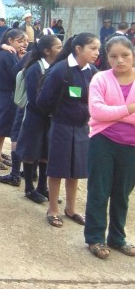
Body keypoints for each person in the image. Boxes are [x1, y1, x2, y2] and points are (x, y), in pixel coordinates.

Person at [37, 33, 100, 228]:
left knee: (76, 169)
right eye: (93, 48)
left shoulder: (92, 71)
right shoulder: (60, 70)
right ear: (78, 49)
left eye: (98, 49)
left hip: (82, 128)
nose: (97, 53)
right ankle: (53, 208)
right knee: (57, 168)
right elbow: (43, 101)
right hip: (61, 126)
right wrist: (59, 114)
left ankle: (71, 209)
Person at [85, 35, 135, 259]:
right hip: (102, 141)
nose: (120, 61)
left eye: (125, 55)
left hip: (131, 146)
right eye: (114, 56)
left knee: (122, 194)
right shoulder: (100, 79)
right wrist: (131, 109)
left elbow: (105, 112)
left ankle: (117, 238)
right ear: (107, 58)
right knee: (99, 191)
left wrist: (113, 113)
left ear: (132, 55)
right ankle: (96, 238)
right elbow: (96, 112)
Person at [15, 34, 63, 203]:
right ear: (46, 51)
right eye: (58, 47)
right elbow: (34, 98)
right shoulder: (35, 68)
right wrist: (50, 109)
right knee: (31, 151)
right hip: (35, 117)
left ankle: (43, 187)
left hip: (49, 118)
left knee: (45, 152)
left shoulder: (55, 67)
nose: (61, 50)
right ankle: (29, 188)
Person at [0, 29, 27, 170]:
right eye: (19, 41)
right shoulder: (7, 54)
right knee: (1, 127)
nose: (23, 45)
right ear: (10, 41)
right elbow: (15, 74)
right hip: (7, 94)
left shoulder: (5, 52)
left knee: (2, 127)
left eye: (24, 42)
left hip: (3, 93)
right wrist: (24, 61)